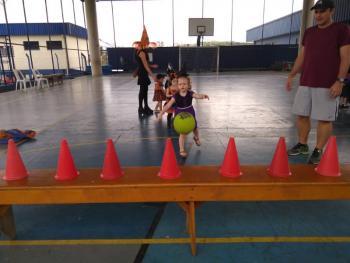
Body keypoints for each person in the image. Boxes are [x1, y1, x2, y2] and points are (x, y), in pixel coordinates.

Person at [286, 0, 350, 164]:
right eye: (316, 12)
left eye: (322, 11)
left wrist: (340, 81)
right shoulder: (309, 32)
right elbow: (303, 55)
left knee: (324, 119)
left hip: (327, 83)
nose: (318, 15)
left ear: (331, 11)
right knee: (301, 115)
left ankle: (318, 149)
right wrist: (292, 75)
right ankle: (302, 144)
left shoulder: (341, 30)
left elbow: (346, 57)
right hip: (306, 81)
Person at [158, 74, 209, 158]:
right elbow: (168, 105)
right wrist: (162, 112)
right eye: (180, 84)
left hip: (190, 113)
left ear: (188, 85)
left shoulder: (190, 93)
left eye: (184, 84)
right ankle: (181, 150)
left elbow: (196, 96)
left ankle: (196, 138)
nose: (182, 86)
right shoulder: (176, 96)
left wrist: (202, 96)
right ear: (177, 85)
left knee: (195, 128)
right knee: (182, 133)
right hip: (180, 115)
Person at [133, 26, 157, 116]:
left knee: (145, 90)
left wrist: (152, 65)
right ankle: (140, 108)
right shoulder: (142, 52)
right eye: (147, 42)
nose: (147, 44)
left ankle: (145, 106)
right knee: (142, 91)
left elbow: (144, 64)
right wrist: (153, 75)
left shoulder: (139, 51)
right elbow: (145, 66)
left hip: (142, 72)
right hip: (142, 73)